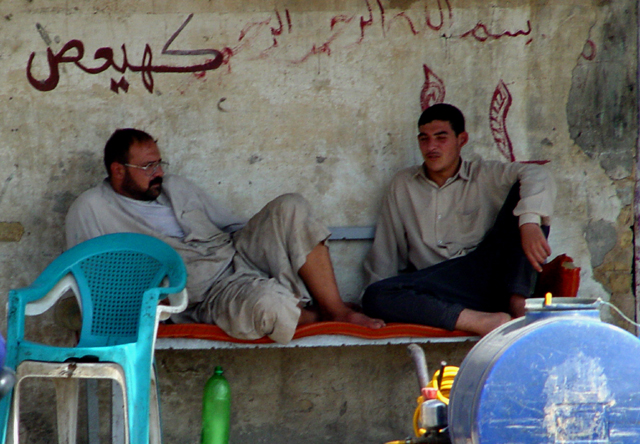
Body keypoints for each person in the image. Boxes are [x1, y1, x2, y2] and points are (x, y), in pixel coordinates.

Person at [66, 128, 384, 344]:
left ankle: (336, 310)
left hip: (236, 255)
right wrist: (146, 306)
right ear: (118, 170)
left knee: (291, 206)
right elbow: (94, 280)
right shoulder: (92, 208)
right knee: (269, 306)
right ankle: (315, 315)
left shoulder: (175, 186)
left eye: (159, 163)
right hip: (206, 295)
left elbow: (232, 228)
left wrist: (275, 244)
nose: (158, 173)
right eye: (148, 167)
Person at [361, 103, 556, 336]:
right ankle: (483, 322)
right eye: (424, 139)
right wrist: (376, 300)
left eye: (441, 137)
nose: (431, 146)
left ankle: (518, 302)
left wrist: (529, 223)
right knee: (375, 296)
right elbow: (386, 252)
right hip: (439, 287)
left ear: (461, 139)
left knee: (525, 195)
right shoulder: (403, 184)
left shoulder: (485, 174)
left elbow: (538, 174)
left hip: (488, 276)